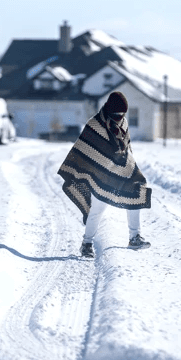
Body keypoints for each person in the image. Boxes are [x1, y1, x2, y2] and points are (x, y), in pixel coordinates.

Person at [57, 91, 152, 258]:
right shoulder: (94, 124)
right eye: (117, 114)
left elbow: (126, 147)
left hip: (122, 171)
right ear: (109, 110)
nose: (120, 116)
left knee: (136, 194)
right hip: (100, 174)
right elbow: (84, 149)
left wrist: (129, 166)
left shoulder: (123, 122)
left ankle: (134, 237)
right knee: (97, 210)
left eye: (123, 114)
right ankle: (86, 244)